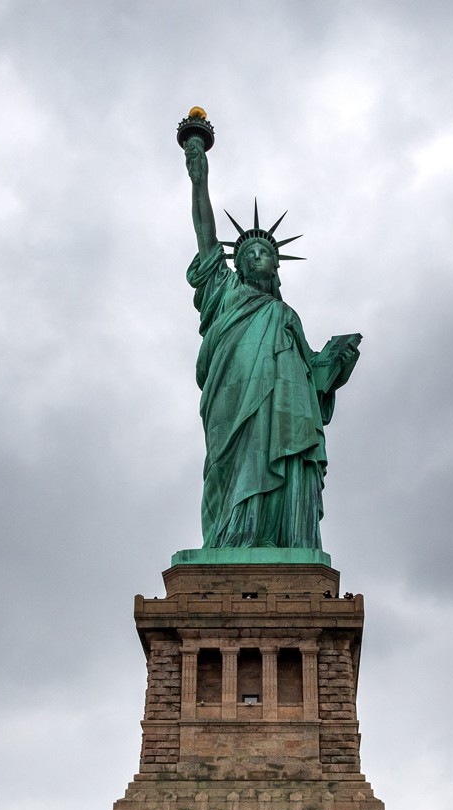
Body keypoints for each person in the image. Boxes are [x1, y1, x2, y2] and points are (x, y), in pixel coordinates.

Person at [182, 134, 361, 550]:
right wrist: (199, 181)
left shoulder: (286, 316)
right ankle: (231, 540)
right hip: (233, 400)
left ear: (277, 265)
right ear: (237, 264)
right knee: (230, 468)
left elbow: (311, 377)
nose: (258, 256)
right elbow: (205, 235)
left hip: (285, 408)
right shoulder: (223, 294)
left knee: (284, 455)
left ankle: (280, 538)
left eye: (266, 252)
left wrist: (334, 364)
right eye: (249, 253)